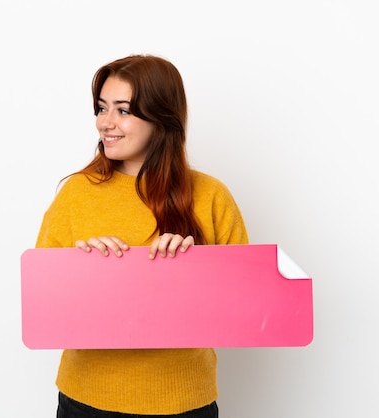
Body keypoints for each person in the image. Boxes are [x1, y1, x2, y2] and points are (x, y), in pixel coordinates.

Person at [35, 54, 248, 417]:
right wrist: (81, 270)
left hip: (186, 403)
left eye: (123, 110)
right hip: (86, 401)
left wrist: (197, 267)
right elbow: (42, 308)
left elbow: (247, 310)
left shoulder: (211, 196)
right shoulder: (76, 193)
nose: (106, 123)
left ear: (161, 117)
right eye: (101, 108)